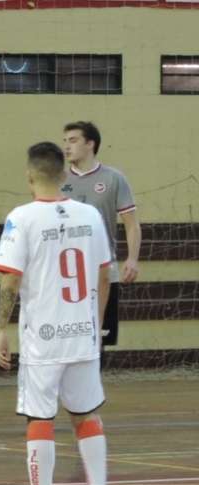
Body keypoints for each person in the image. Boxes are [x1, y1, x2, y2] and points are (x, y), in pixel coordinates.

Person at [0, 141, 112, 485]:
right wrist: (95, 325)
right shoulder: (90, 215)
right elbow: (104, 273)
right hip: (83, 335)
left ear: (30, 176)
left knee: (39, 417)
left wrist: (0, 331)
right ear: (64, 176)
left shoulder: (22, 217)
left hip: (44, 338)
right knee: (85, 414)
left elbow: (11, 280)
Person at [62, 121, 141, 365]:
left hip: (102, 272)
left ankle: (90, 394)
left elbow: (131, 223)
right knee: (66, 334)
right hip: (66, 273)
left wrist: (132, 258)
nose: (66, 146)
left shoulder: (113, 178)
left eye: (73, 140)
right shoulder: (58, 180)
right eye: (65, 141)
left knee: (98, 336)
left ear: (90, 144)